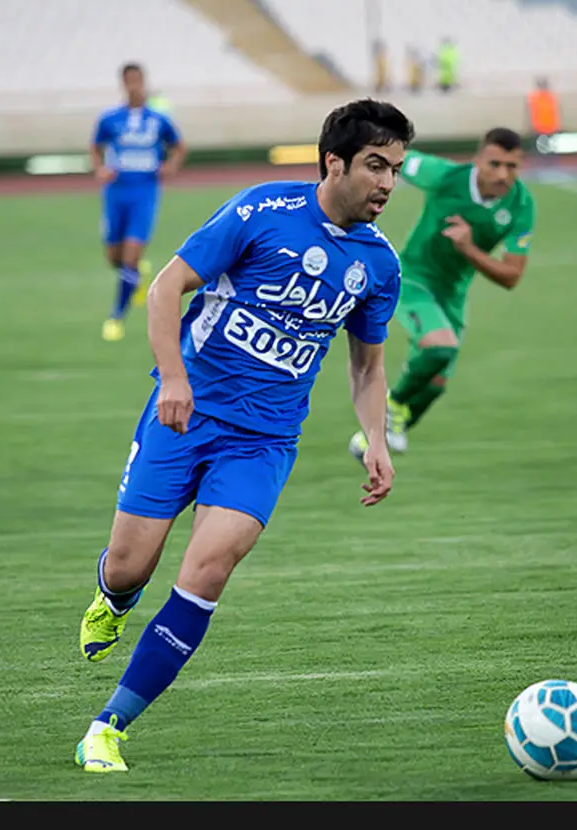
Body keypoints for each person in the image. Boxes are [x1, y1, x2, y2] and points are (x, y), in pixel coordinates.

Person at [73, 98, 415, 773]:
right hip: (184, 413)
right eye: (375, 166)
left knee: (207, 570)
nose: (387, 184)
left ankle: (109, 725)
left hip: (263, 443)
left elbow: (367, 365)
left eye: (396, 170)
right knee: (130, 564)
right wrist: (173, 377)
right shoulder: (262, 213)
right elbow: (168, 287)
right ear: (334, 162)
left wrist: (374, 437)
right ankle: (112, 598)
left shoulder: (378, 265)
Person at [349, 127, 535, 460]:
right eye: (495, 164)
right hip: (413, 279)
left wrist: (468, 247)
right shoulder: (446, 176)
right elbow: (399, 159)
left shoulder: (521, 205)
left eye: (512, 166)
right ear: (478, 160)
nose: (503, 174)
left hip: (453, 293)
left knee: (436, 381)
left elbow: (512, 276)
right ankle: (391, 405)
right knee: (440, 346)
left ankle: (371, 441)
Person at [90, 63, 188, 342]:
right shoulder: (110, 119)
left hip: (144, 193)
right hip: (116, 193)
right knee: (115, 258)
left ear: (144, 81)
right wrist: (99, 168)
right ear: (123, 83)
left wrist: (171, 166)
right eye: (129, 81)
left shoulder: (158, 119)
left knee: (131, 254)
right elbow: (95, 147)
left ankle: (116, 317)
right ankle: (137, 277)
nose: (134, 86)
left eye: (138, 80)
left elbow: (179, 145)